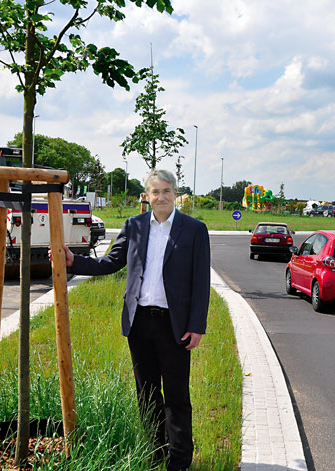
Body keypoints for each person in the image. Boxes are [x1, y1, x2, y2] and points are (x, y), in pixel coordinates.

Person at [57, 168, 210, 471]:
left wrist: (197, 326)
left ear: (175, 193)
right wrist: (76, 261)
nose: (161, 197)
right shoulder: (135, 226)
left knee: (177, 396)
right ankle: (156, 454)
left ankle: (179, 461)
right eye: (155, 192)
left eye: (167, 191)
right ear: (147, 196)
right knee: (147, 394)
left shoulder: (194, 229)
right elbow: (111, 261)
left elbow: (200, 282)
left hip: (175, 326)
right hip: (139, 323)